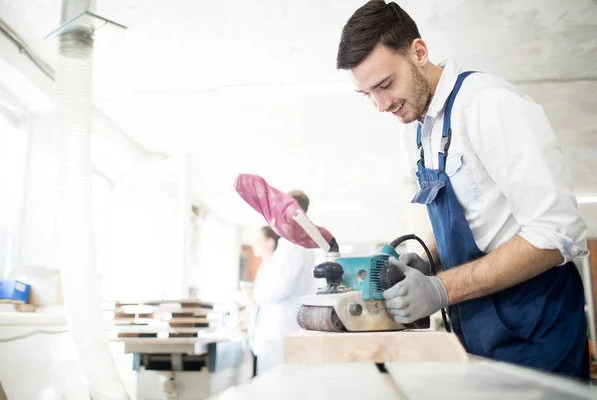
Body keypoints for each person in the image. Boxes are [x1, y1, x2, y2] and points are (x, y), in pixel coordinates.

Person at [336, 0, 590, 381]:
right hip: (475, 330)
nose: (380, 105)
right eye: (367, 94)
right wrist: (427, 259)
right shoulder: (414, 130)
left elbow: (558, 234)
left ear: (419, 52)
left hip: (536, 331)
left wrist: (441, 288)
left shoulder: (488, 105)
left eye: (385, 85)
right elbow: (470, 217)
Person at [250, 191, 317, 375]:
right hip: (282, 326)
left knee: (274, 383)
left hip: (280, 328)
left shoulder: (293, 243)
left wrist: (255, 296)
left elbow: (281, 287)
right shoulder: (298, 241)